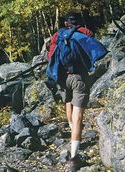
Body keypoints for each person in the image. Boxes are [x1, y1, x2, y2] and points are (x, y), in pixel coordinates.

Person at [46, 12, 100, 172]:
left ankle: (72, 131)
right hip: (79, 78)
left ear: (65, 23)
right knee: (79, 117)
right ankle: (74, 158)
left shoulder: (57, 35)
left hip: (62, 78)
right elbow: (92, 47)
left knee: (67, 102)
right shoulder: (84, 32)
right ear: (79, 22)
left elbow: (50, 57)